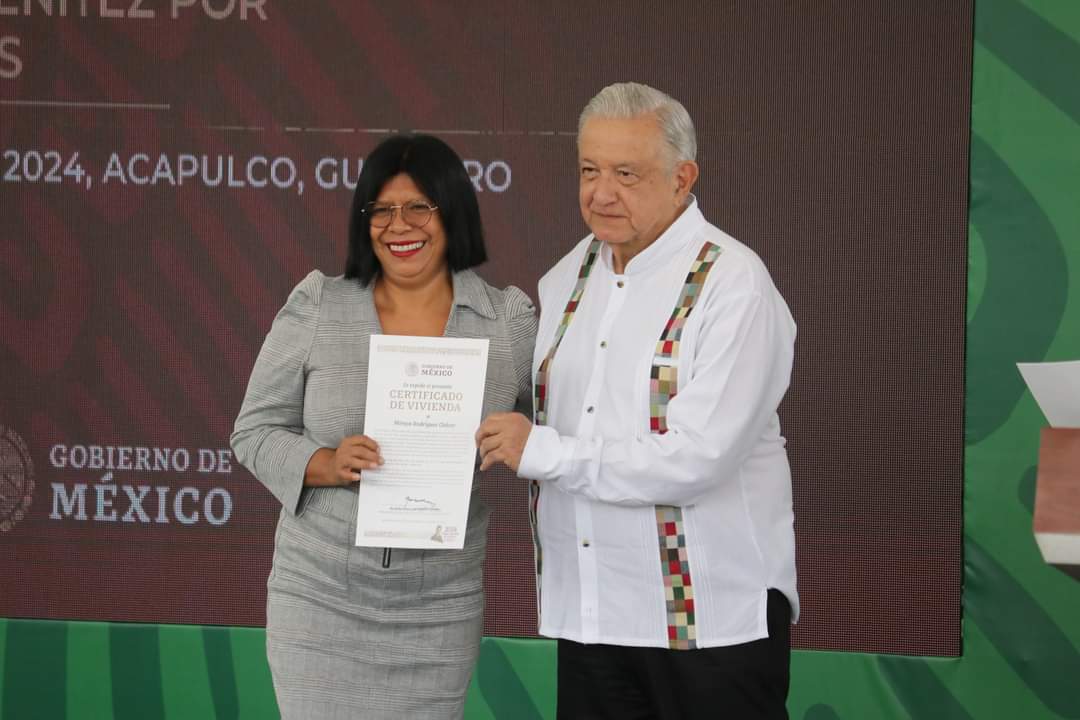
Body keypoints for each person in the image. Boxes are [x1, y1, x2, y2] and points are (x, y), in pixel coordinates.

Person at [476, 82, 798, 719]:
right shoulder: (565, 276)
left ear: (683, 178)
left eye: (627, 173)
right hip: (593, 612)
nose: (601, 193)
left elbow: (697, 459)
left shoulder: (734, 284)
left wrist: (542, 451)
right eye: (589, 170)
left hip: (709, 619)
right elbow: (538, 416)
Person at [232, 134, 536, 720]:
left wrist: (523, 439)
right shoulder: (320, 304)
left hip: (438, 604)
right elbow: (254, 430)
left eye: (420, 206)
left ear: (453, 212)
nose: (400, 225)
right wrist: (325, 463)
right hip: (319, 594)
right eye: (382, 209)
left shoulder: (508, 324)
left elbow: (551, 439)